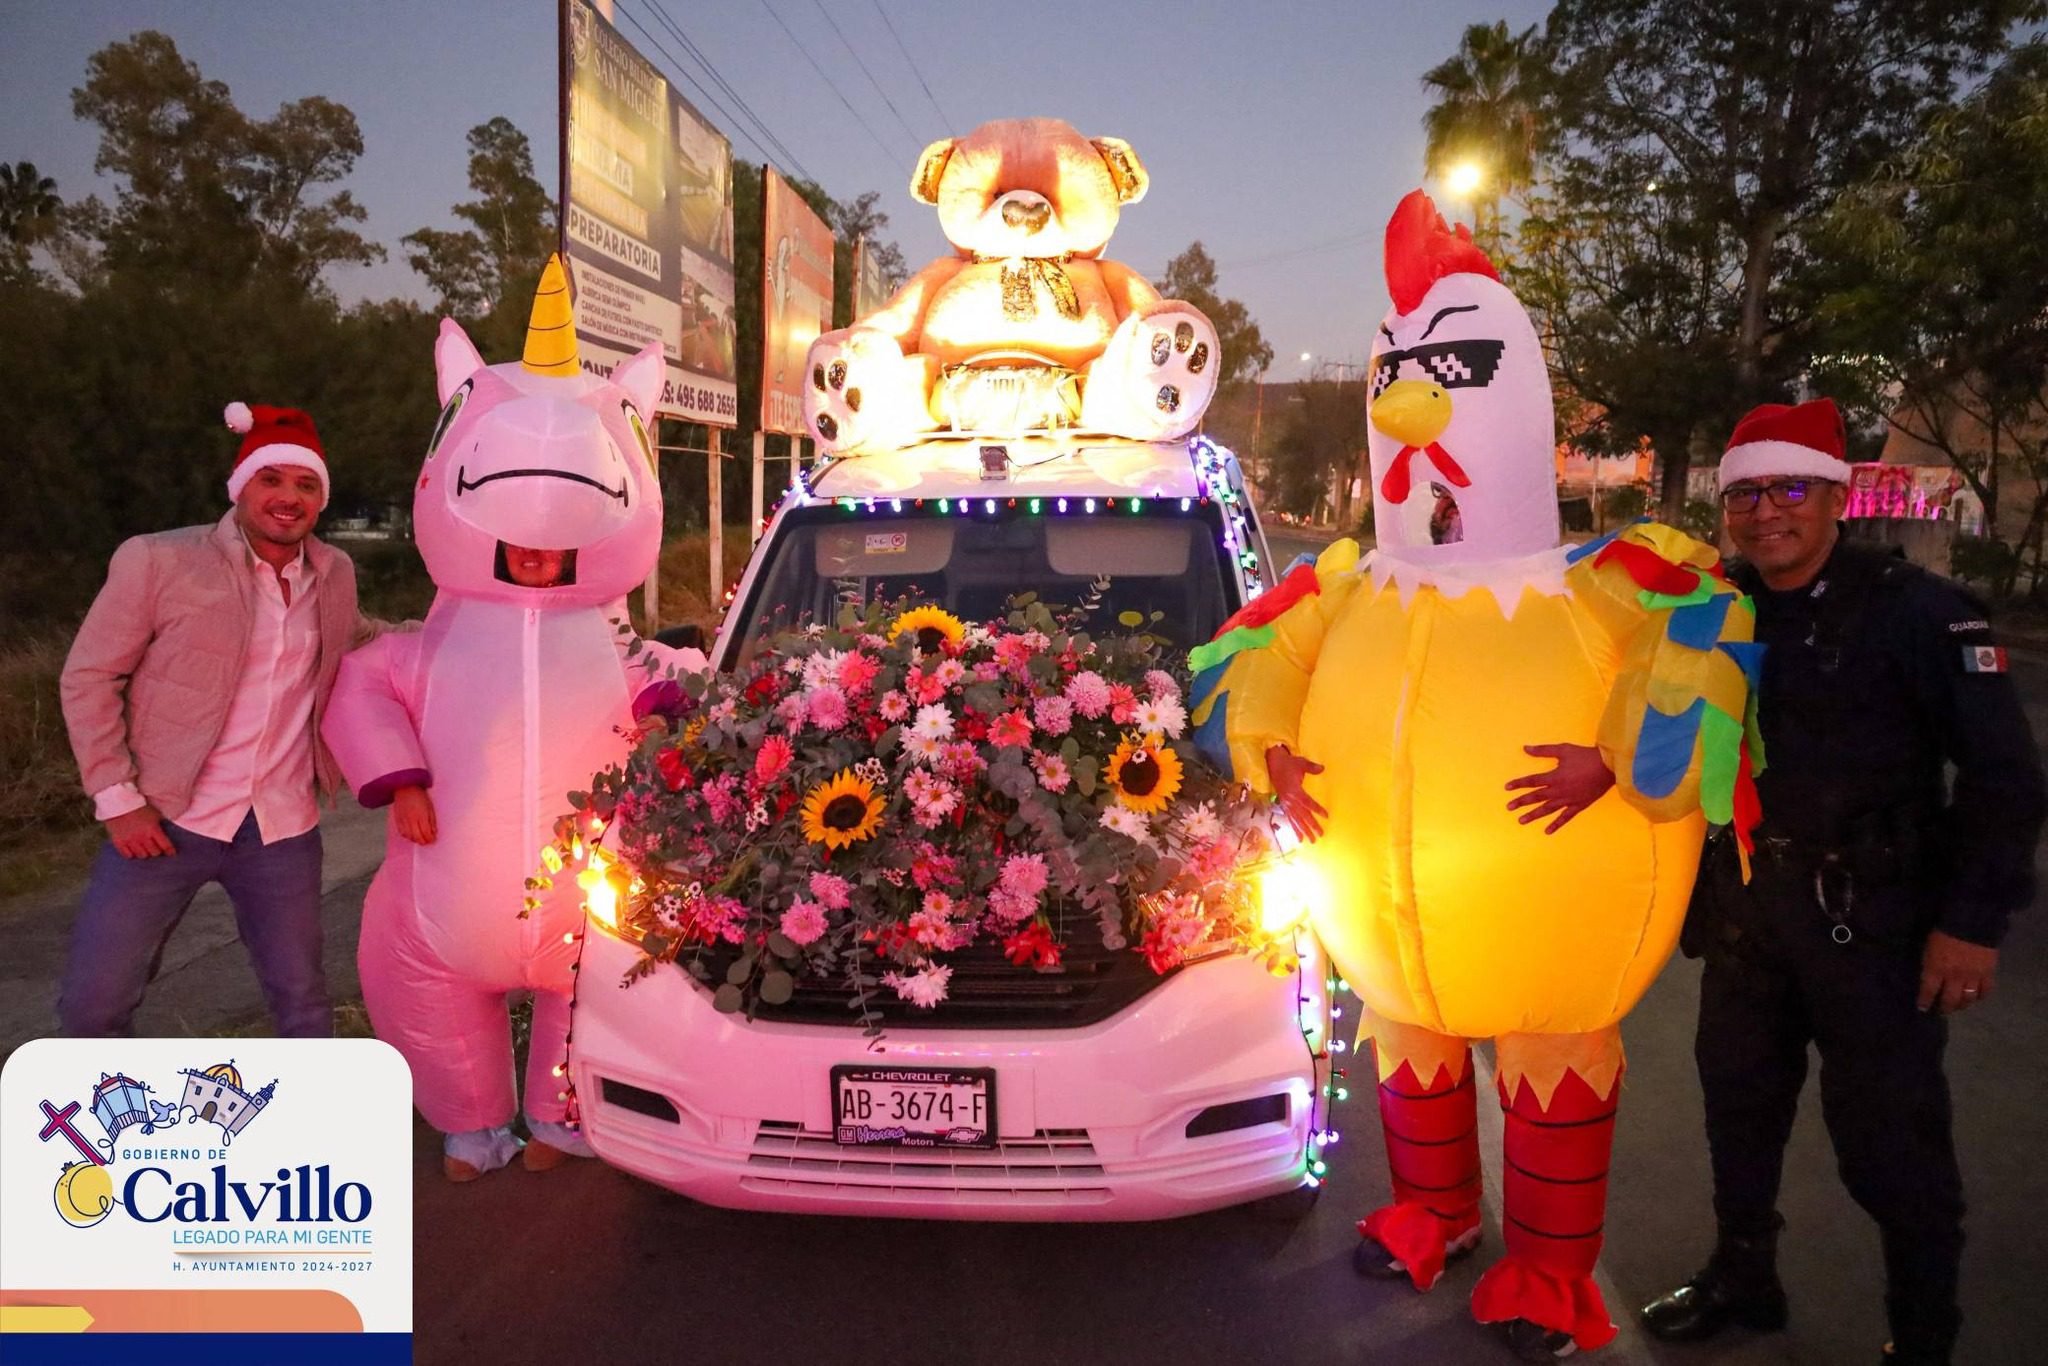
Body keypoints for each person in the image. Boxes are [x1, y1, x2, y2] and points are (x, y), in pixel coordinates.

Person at [1640, 398, 2045, 1366]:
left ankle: (1923, 1337)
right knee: (1738, 1112)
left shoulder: (1920, 612)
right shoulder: (1718, 607)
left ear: (1835, 497)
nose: (1764, 512)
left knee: (1891, 1148)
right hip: (1747, 914)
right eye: (1744, 495)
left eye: (1788, 489)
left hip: (1874, 925)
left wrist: (1971, 923)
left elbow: (2003, 779)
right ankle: (1745, 1277)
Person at [58, 402, 388, 1038]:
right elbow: (90, 676)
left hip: (281, 828)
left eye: (307, 484)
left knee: (303, 1006)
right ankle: (114, 1106)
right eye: (272, 479)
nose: (289, 497)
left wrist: (467, 628)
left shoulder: (333, 573)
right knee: (93, 1006)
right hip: (164, 817)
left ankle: (307, 1109)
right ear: (241, 486)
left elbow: (361, 636)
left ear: (321, 500)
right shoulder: (159, 560)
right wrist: (117, 798)